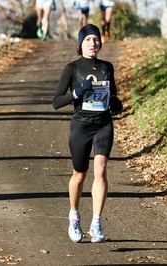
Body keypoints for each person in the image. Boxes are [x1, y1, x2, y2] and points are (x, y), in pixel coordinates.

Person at [52, 24, 123, 243]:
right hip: (81, 125)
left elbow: (112, 94)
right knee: (79, 175)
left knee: (100, 171)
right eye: (88, 40)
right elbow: (56, 102)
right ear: (81, 44)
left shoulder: (107, 67)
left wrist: (115, 102)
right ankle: (74, 216)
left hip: (103, 124)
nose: (93, 43)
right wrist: (77, 93)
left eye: (96, 39)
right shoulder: (71, 69)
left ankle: (96, 223)